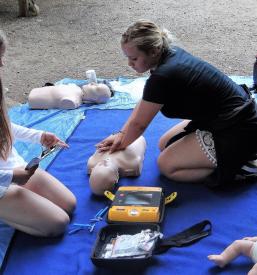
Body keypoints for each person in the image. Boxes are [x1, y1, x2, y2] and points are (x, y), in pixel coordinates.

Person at [96, 19, 257, 187]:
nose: (130, 64)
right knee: (164, 144)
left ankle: (240, 165)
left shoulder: (162, 76)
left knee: (167, 166)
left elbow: (139, 125)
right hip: (226, 114)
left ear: (154, 50)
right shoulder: (168, 54)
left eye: (134, 58)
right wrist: (121, 134)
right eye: (128, 58)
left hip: (238, 127)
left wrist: (120, 145)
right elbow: (144, 105)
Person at [0, 30, 76, 237]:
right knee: (57, 223)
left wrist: (39, 136)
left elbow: (3, 126)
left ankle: (18, 202)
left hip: (10, 167)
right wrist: (11, 177)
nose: (2, 65)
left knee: (68, 204)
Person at [28, 82, 112, 109]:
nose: (92, 83)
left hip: (33, 100)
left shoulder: (73, 100)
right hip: (35, 93)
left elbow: (66, 102)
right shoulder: (76, 89)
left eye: (96, 87)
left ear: (93, 98)